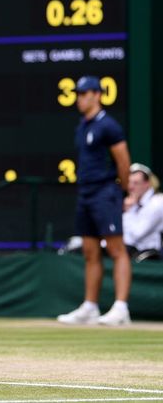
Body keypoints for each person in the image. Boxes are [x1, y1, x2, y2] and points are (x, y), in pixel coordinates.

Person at [57, 76, 132, 326]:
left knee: (116, 249)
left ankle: (121, 308)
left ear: (98, 95)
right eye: (78, 93)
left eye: (85, 93)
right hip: (86, 193)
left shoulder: (109, 126)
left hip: (105, 192)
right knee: (90, 252)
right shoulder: (82, 126)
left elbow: (123, 162)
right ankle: (90, 306)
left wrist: (122, 193)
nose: (80, 98)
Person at [122, 163, 163, 260]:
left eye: (136, 183)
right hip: (131, 251)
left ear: (147, 184)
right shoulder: (135, 201)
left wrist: (128, 211)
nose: (131, 187)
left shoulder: (157, 203)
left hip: (148, 256)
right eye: (129, 182)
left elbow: (136, 235)